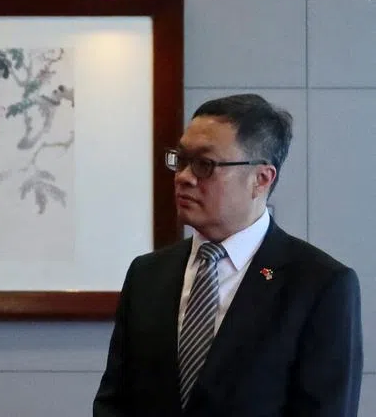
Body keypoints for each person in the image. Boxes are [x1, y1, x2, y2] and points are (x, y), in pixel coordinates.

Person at [93, 94, 363, 416]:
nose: (183, 176)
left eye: (204, 164)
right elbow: (114, 402)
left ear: (261, 179)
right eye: (181, 160)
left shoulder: (320, 285)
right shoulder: (147, 274)